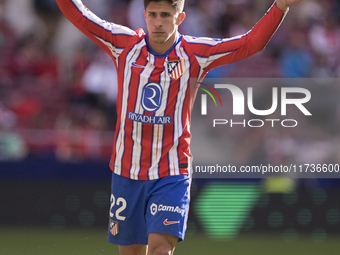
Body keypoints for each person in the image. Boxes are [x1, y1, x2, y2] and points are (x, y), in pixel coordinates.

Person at [55, 0, 303, 254]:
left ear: (180, 18)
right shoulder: (124, 44)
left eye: (165, 14)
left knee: (161, 250)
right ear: (144, 16)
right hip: (127, 171)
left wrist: (280, 5)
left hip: (171, 171)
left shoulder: (196, 52)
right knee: (131, 253)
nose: (158, 21)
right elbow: (79, 15)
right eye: (152, 14)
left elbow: (251, 43)